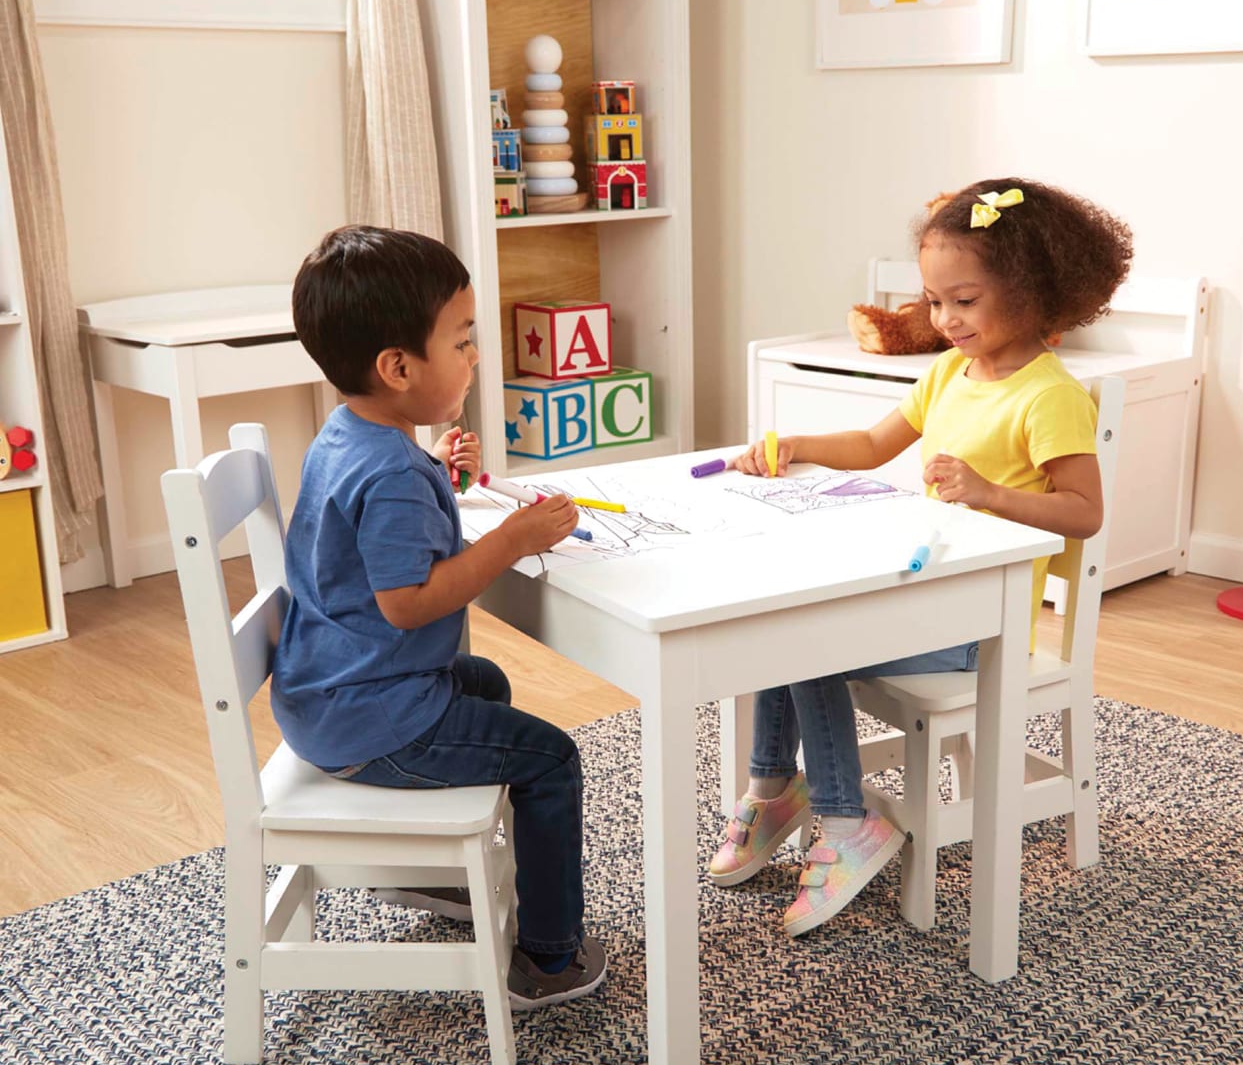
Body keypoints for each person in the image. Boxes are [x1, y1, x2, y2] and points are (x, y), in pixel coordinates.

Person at [709, 179, 1133, 937]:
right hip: (928, 593)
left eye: (963, 301)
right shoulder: (947, 373)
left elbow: (1085, 512)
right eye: (935, 302)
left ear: (1034, 291)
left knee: (810, 644)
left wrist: (988, 492)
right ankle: (773, 787)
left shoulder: (1049, 397)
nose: (944, 319)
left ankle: (848, 827)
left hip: (979, 624)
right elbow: (874, 446)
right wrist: (795, 444)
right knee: (780, 619)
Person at [271, 224, 606, 1008]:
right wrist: (513, 537)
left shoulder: (354, 435)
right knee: (553, 760)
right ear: (398, 367)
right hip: (373, 714)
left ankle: (438, 872)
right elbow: (410, 600)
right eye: (461, 342)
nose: (475, 356)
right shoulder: (388, 469)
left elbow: (380, 544)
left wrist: (438, 475)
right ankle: (550, 959)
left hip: (331, 691)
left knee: (484, 681)